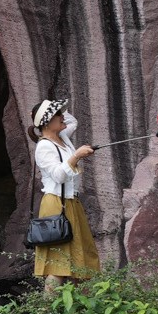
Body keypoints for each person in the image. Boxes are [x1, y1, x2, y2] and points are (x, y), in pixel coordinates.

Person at [29, 97, 99, 286]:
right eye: (57, 114)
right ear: (46, 121)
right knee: (57, 266)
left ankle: (73, 313)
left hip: (72, 203)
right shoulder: (44, 146)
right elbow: (59, 176)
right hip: (56, 205)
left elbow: (72, 121)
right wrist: (76, 156)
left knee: (79, 264)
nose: (62, 117)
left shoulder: (63, 138)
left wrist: (54, 106)